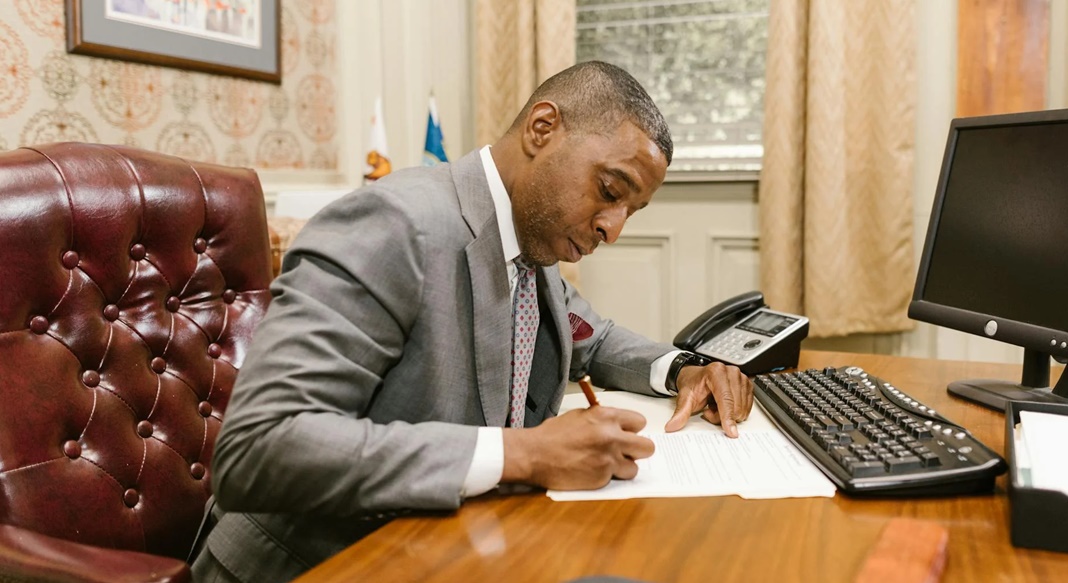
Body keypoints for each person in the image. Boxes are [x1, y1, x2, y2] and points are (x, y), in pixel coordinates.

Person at [192, 61, 754, 582]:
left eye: (630, 211)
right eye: (610, 191)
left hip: (449, 544)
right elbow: (257, 448)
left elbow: (594, 338)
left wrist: (682, 368)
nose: (613, 228)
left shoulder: (531, 249)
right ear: (542, 128)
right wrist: (527, 454)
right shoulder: (396, 224)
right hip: (319, 563)